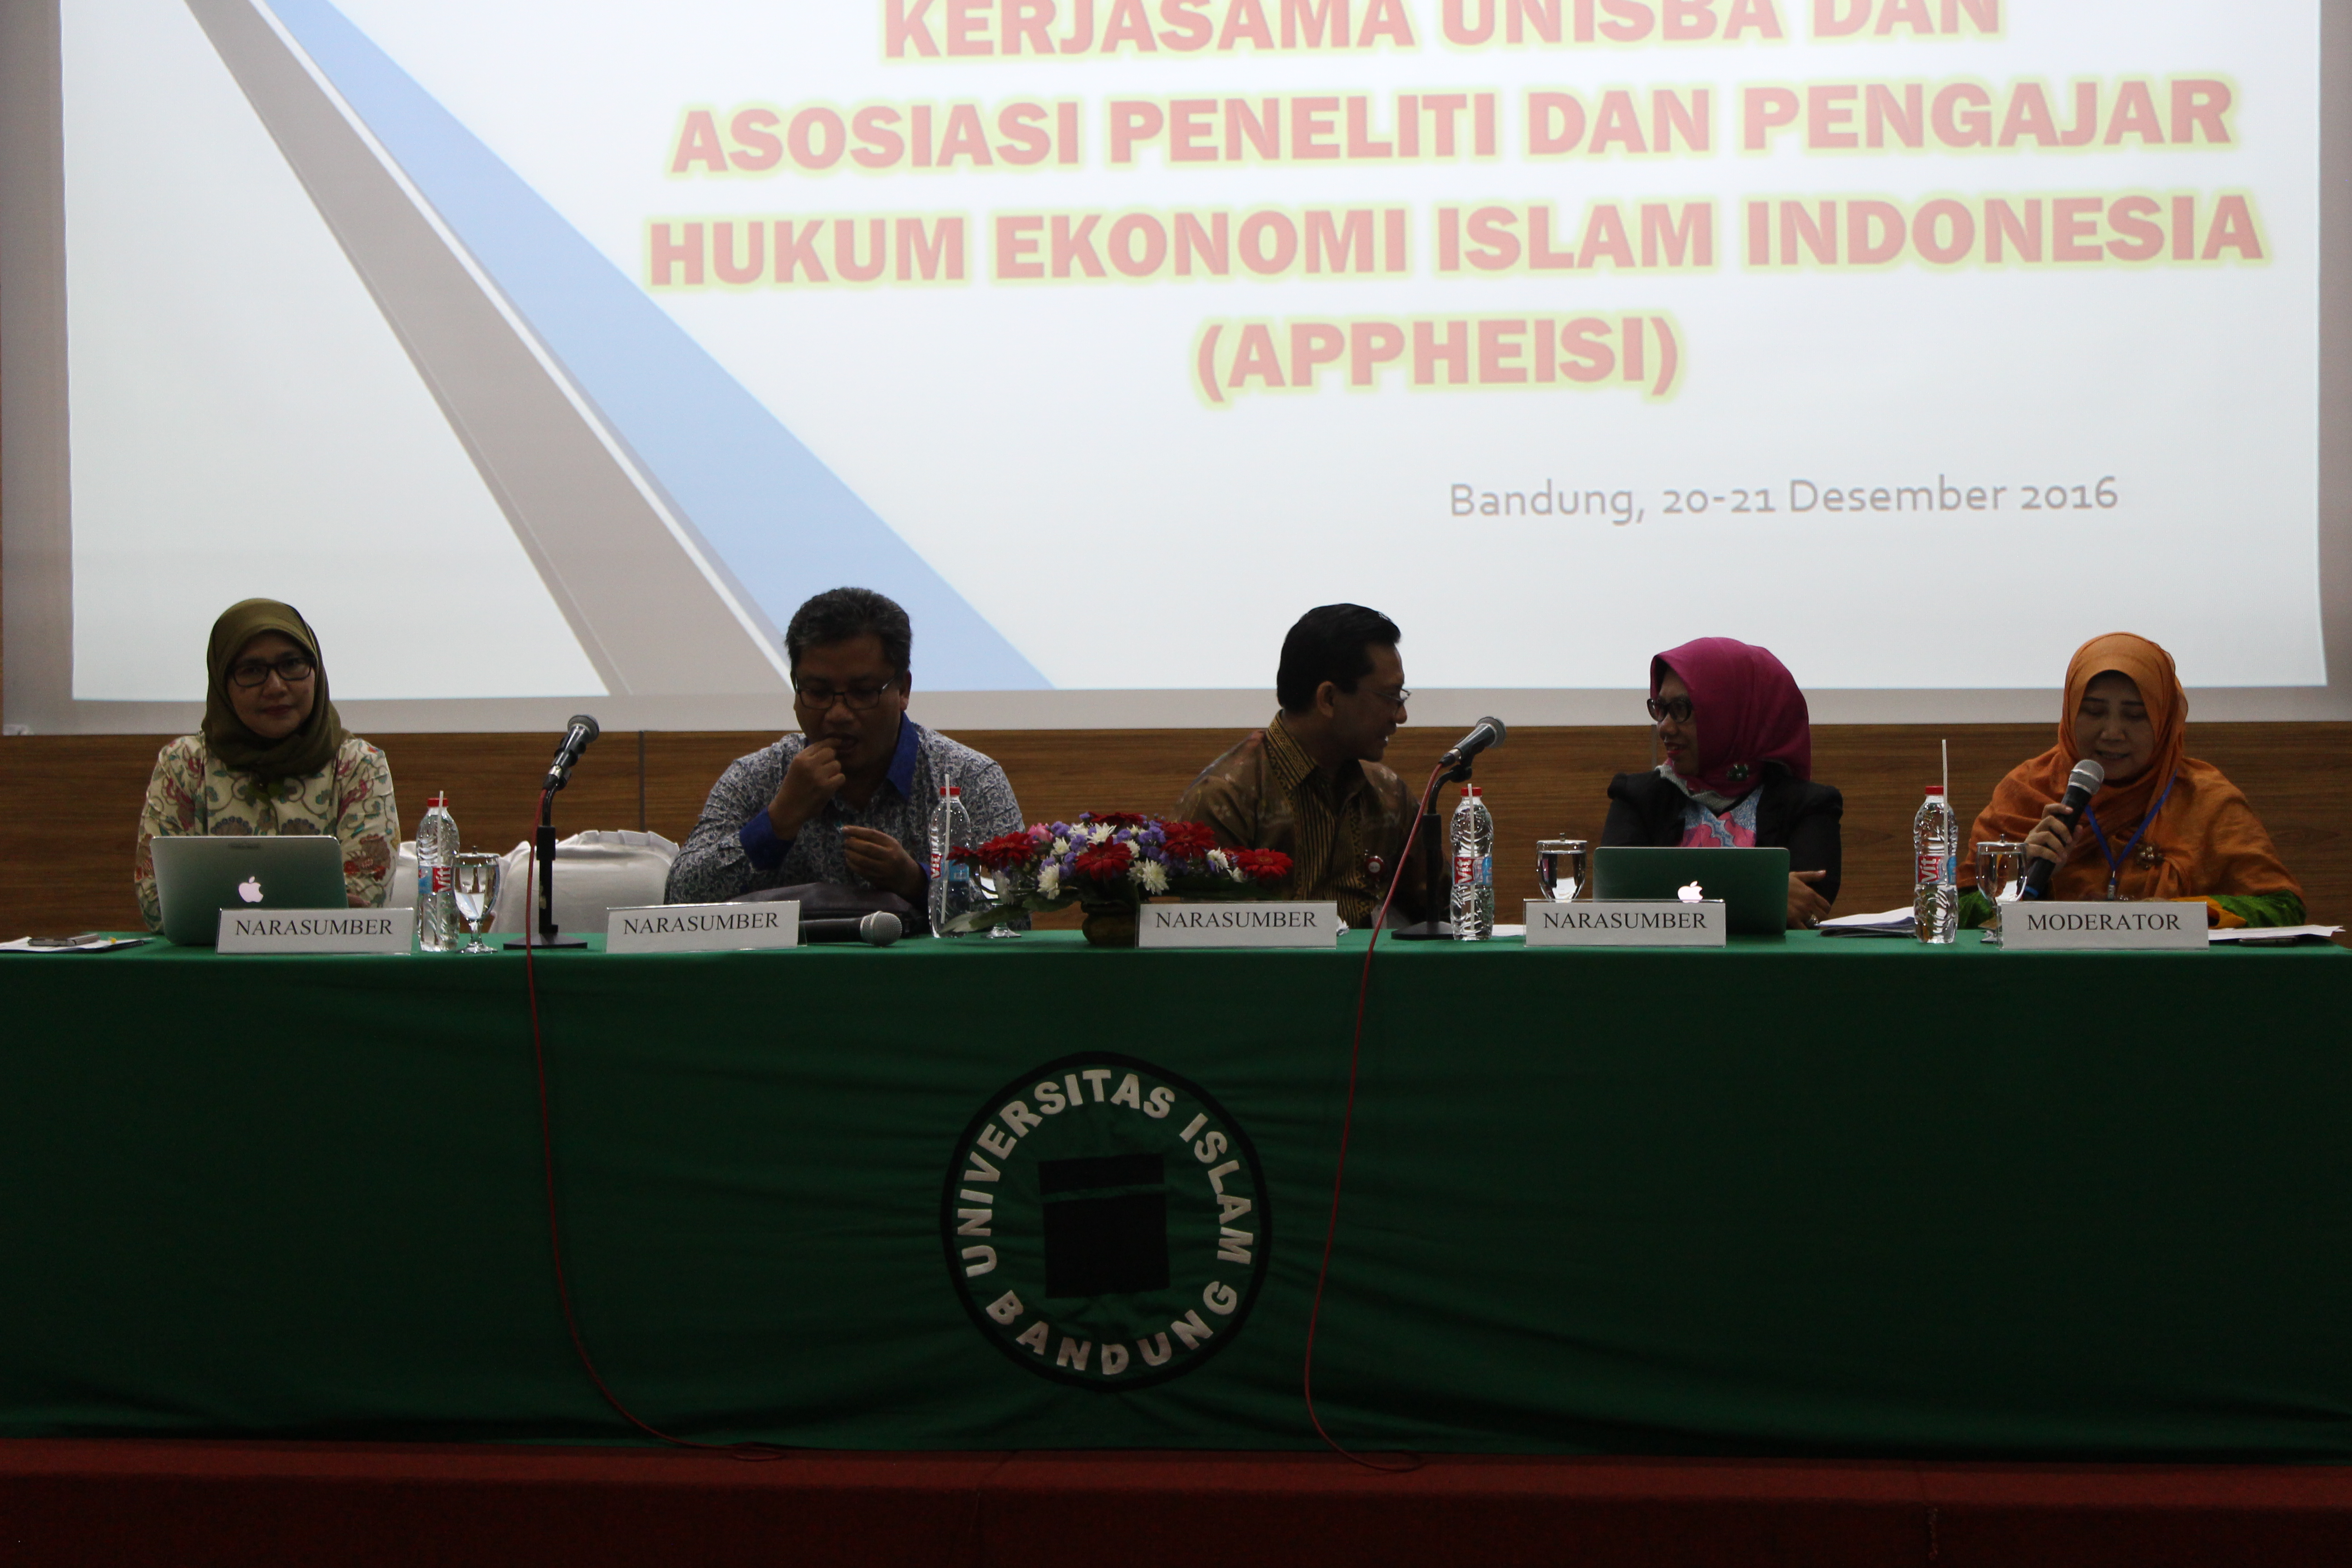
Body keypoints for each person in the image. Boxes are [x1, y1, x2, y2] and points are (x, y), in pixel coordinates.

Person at [666, 587, 1022, 907]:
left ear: (903, 690)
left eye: (863, 693)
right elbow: (680, 896)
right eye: (818, 693)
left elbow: (1017, 907)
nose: (838, 714)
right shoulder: (757, 777)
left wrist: (917, 882)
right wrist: (779, 821)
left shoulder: (969, 777)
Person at [1961, 632, 2302, 928]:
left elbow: (2283, 908)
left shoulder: (2206, 799)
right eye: (2094, 712)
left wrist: (2180, 914)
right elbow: (1960, 911)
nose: (2112, 733)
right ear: (2069, 712)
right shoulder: (2027, 791)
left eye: (2136, 716)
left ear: (2164, 720)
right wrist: (2019, 878)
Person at [134, 599, 399, 931]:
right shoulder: (185, 764)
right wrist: (306, 909)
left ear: (316, 671)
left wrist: (234, 914)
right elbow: (157, 900)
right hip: (209, 961)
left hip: (325, 959)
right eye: (252, 671)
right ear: (222, 682)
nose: (275, 687)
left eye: (292, 664)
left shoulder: (358, 765)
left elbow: (365, 898)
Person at [1174, 603, 1426, 928]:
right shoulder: (1225, 800)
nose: (1401, 716)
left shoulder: (1388, 794)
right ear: (1329, 699)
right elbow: (1211, 940)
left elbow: (1443, 915)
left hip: (1368, 963)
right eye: (1390, 697)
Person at [1601, 637, 1842, 929]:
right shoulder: (1638, 796)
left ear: (1733, 713)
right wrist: (1762, 893)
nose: (1664, 726)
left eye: (1681, 709)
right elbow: (1620, 899)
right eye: (1661, 708)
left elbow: (1806, 905)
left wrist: (1672, 893)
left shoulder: (1809, 805)